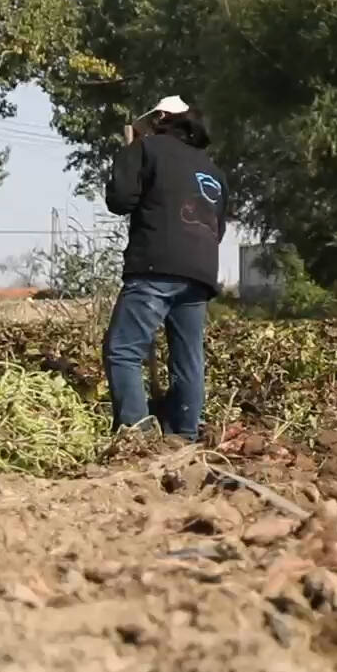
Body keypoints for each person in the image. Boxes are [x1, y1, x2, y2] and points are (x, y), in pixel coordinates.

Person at [102, 95, 227, 440]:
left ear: (159, 118)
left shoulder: (147, 149)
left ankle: (137, 434)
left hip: (156, 266)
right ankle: (184, 434)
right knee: (188, 360)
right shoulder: (213, 171)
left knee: (123, 350)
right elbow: (218, 227)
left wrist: (128, 160)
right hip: (200, 273)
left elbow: (120, 200)